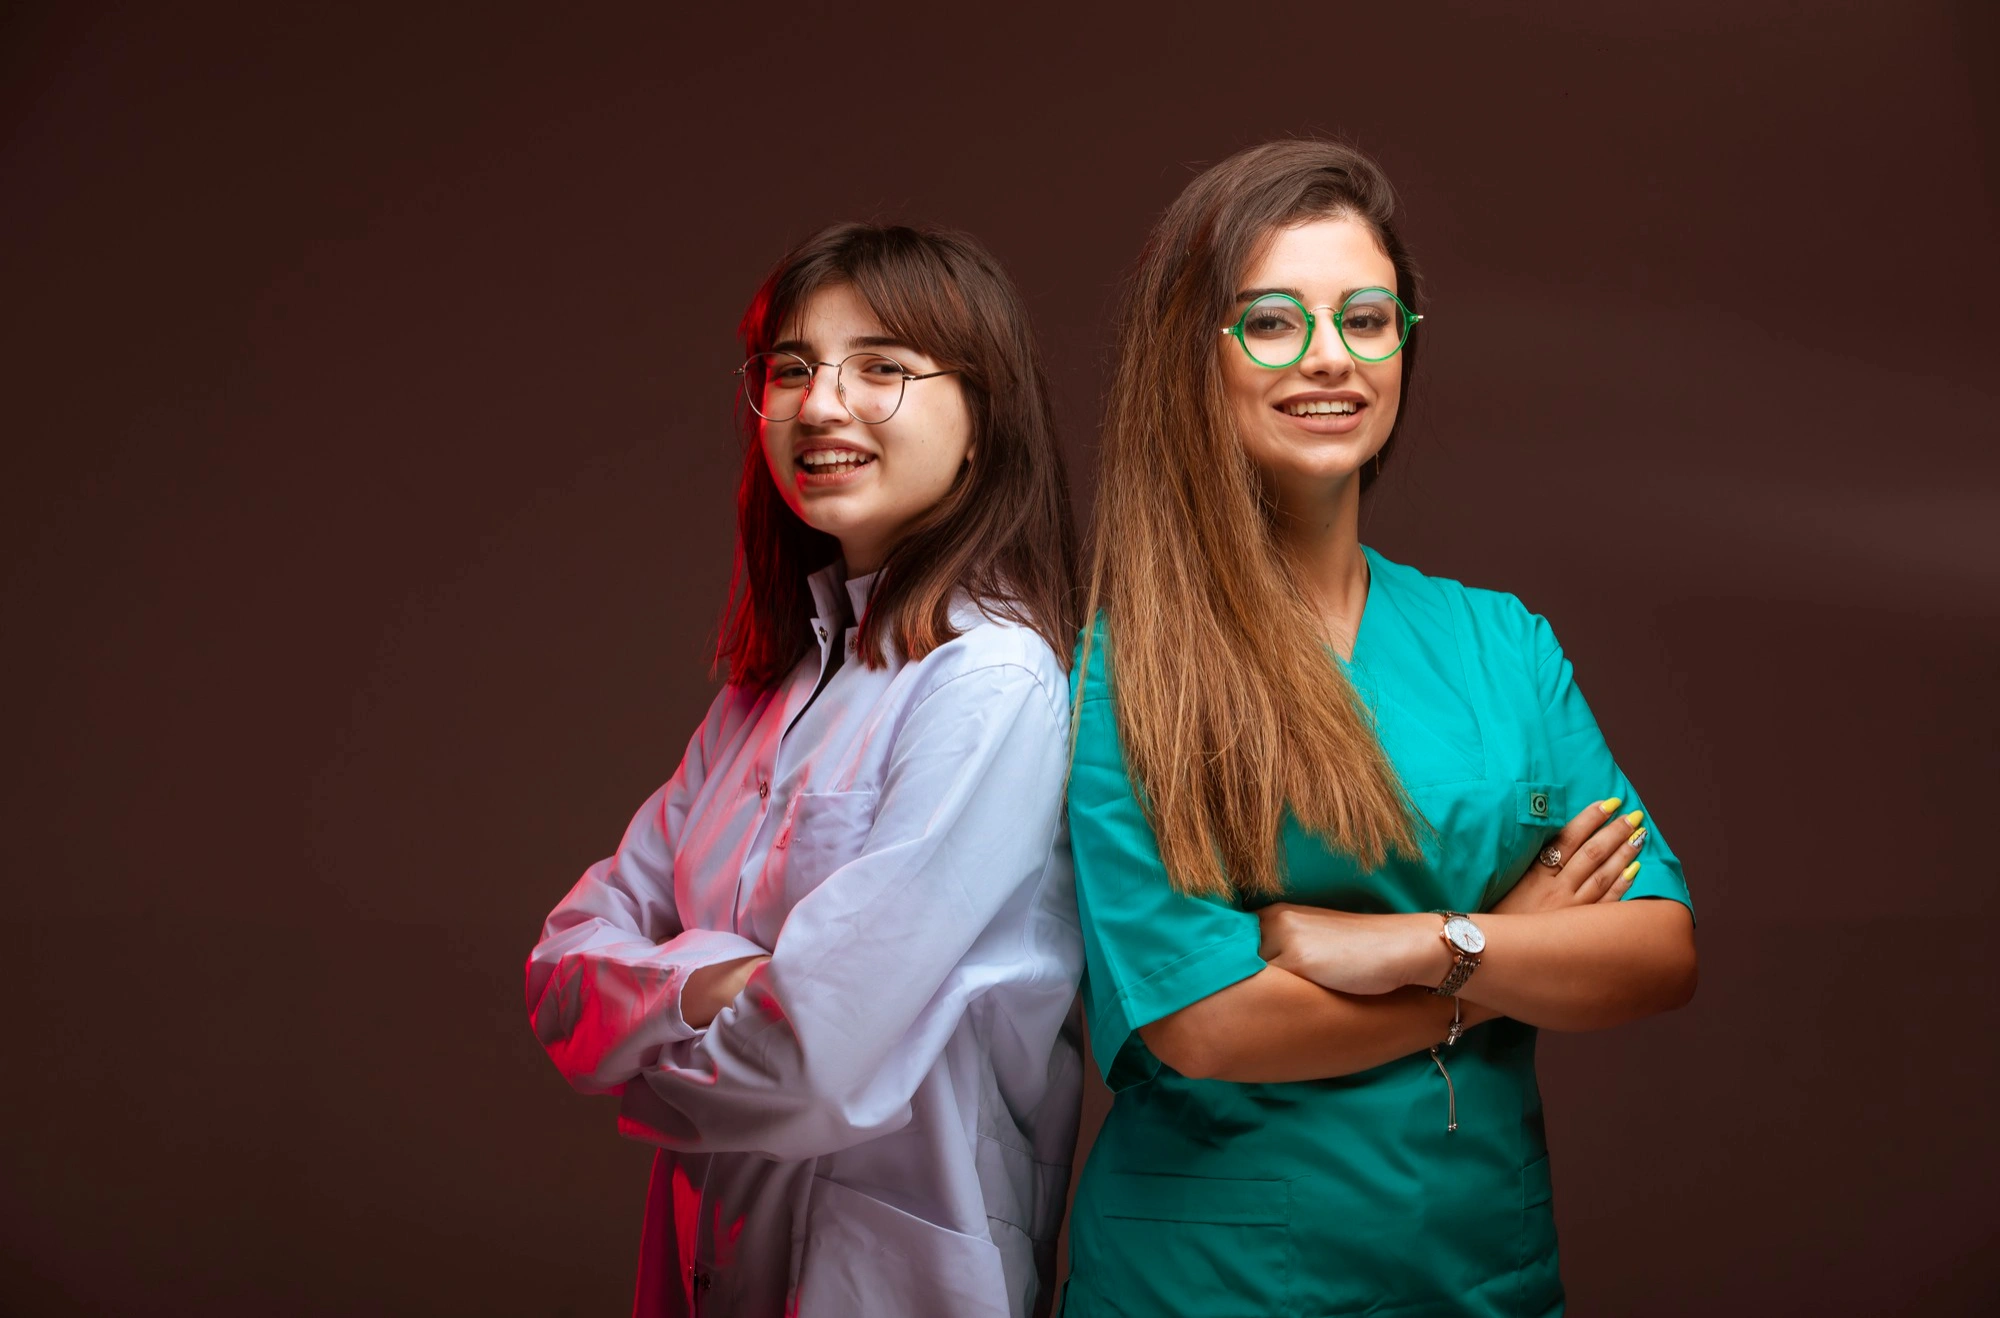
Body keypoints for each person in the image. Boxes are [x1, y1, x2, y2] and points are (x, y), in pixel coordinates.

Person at [1061, 140, 1699, 1318]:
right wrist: (1509, 954)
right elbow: (1206, 1023)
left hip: (1475, 1273)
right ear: (1189, 358)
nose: (1328, 360)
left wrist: (1420, 945)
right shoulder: (1127, 663)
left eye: (1365, 318)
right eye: (1269, 323)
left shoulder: (1500, 643)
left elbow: (1656, 948)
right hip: (1215, 1280)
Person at [526, 222, 1084, 1318]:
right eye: (791, 369)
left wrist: (651, 1016)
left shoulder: (993, 684)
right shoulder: (761, 697)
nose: (820, 406)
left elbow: (808, 1063)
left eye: (881, 367)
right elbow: (558, 968)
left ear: (983, 421)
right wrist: (724, 976)